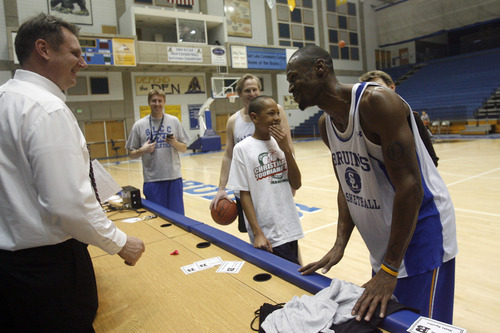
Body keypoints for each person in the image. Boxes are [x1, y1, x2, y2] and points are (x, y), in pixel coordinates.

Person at [286, 45, 458, 324]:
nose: (291, 88)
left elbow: (411, 187)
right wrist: (340, 243)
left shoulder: (376, 103)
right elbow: (347, 186)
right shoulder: (325, 125)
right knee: (388, 324)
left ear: (320, 68)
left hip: (423, 237)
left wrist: (389, 270)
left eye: (294, 78)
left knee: (420, 327)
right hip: (386, 244)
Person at [0, 13, 145, 331]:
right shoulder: (46, 109)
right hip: (47, 273)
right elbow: (66, 205)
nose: (83, 62)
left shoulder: (5, 100)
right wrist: (120, 242)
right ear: (43, 49)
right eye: (75, 53)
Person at [209, 74, 294, 232]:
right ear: (239, 94)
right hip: (246, 188)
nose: (252, 93)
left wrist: (291, 178)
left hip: (271, 184)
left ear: (260, 91)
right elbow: (228, 155)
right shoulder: (234, 121)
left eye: (255, 89)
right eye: (247, 90)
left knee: (283, 232)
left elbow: (288, 144)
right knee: (254, 234)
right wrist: (221, 188)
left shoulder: (276, 112)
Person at [227, 96, 304, 264]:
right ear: (254, 117)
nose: (277, 117)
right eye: (271, 113)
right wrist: (257, 233)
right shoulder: (242, 149)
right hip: (267, 232)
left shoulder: (280, 143)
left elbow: (297, 183)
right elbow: (244, 194)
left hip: (290, 226)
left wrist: (287, 150)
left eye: (277, 113)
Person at [126, 88, 191, 215]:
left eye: (160, 101)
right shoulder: (139, 125)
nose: (157, 104)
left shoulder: (174, 121)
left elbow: (183, 148)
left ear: (164, 102)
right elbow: (131, 154)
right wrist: (142, 150)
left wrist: (174, 143)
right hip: (152, 180)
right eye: (154, 101)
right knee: (158, 218)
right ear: (149, 102)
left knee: (178, 218)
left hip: (173, 178)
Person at [358, 70, 439, 167]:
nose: (373, 93)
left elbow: (431, 159)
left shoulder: (412, 118)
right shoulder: (362, 123)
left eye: (378, 87)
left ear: (392, 87)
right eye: (367, 90)